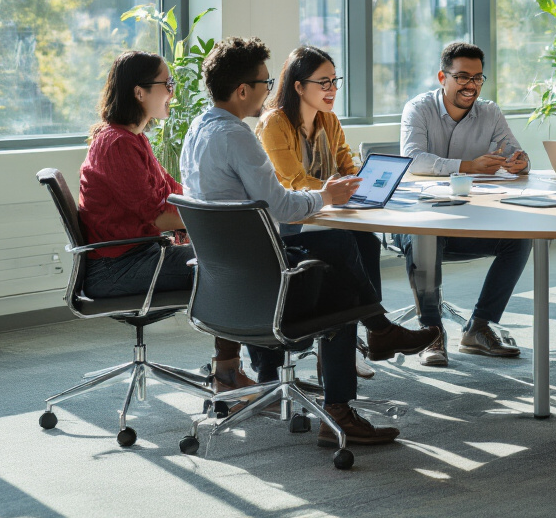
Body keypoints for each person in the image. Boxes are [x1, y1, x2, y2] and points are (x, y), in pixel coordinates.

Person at [180, 37, 432, 447]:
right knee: (340, 278)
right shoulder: (239, 136)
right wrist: (327, 196)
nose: (269, 87)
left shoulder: (198, 129)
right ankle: (341, 406)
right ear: (242, 90)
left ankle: (380, 333)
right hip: (264, 282)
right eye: (265, 81)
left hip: (223, 279)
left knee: (338, 245)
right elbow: (282, 206)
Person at [256, 45, 438, 380]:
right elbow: (293, 182)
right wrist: (335, 191)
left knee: (366, 240)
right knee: (350, 244)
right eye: (323, 83)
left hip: (328, 213)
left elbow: (349, 167)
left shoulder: (329, 120)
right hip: (289, 222)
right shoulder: (274, 124)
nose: (332, 90)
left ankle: (362, 337)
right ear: (298, 86)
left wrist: (362, 188)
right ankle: (377, 329)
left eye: (334, 81)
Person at [77, 51, 252, 396]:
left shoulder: (133, 139)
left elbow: (172, 192)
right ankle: (228, 374)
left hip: (132, 258)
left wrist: (218, 200)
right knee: (233, 266)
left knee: (232, 258)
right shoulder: (117, 144)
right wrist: (224, 214)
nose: (172, 91)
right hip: (118, 267)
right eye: (166, 84)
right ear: (139, 92)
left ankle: (230, 368)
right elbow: (159, 214)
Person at [398, 42, 531, 367]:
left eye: (478, 78)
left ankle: (480, 326)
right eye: (462, 77)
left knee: (522, 237)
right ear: (443, 76)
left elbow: (514, 150)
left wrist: (520, 162)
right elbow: (412, 159)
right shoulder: (418, 109)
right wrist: (468, 165)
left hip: (469, 218)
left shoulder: (490, 112)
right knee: (425, 235)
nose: (471, 85)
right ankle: (432, 332)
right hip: (419, 218)